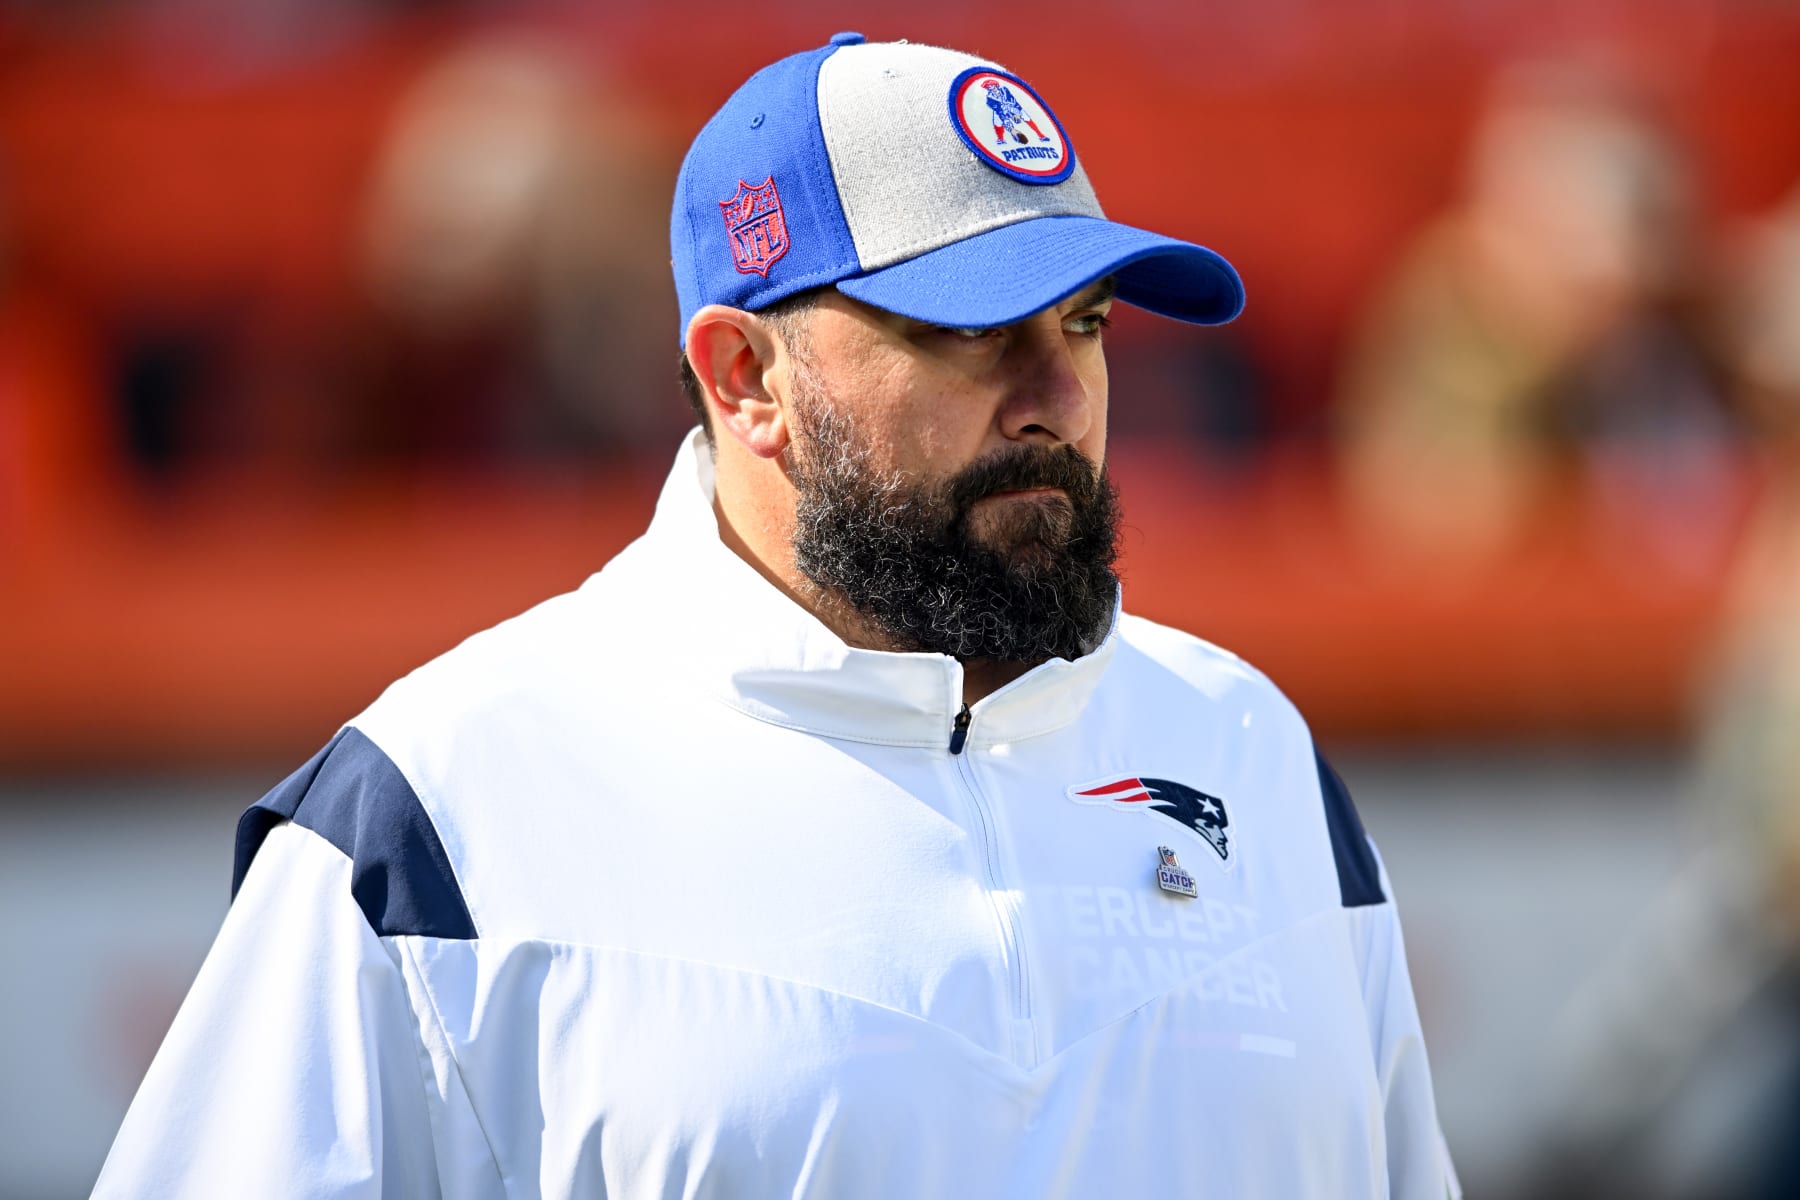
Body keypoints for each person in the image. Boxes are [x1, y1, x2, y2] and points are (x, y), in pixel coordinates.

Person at [94, 34, 1459, 1198]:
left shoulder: (1251, 755)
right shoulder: (442, 810)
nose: (1060, 397)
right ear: (745, 374)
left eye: (1087, 323)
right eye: (970, 331)